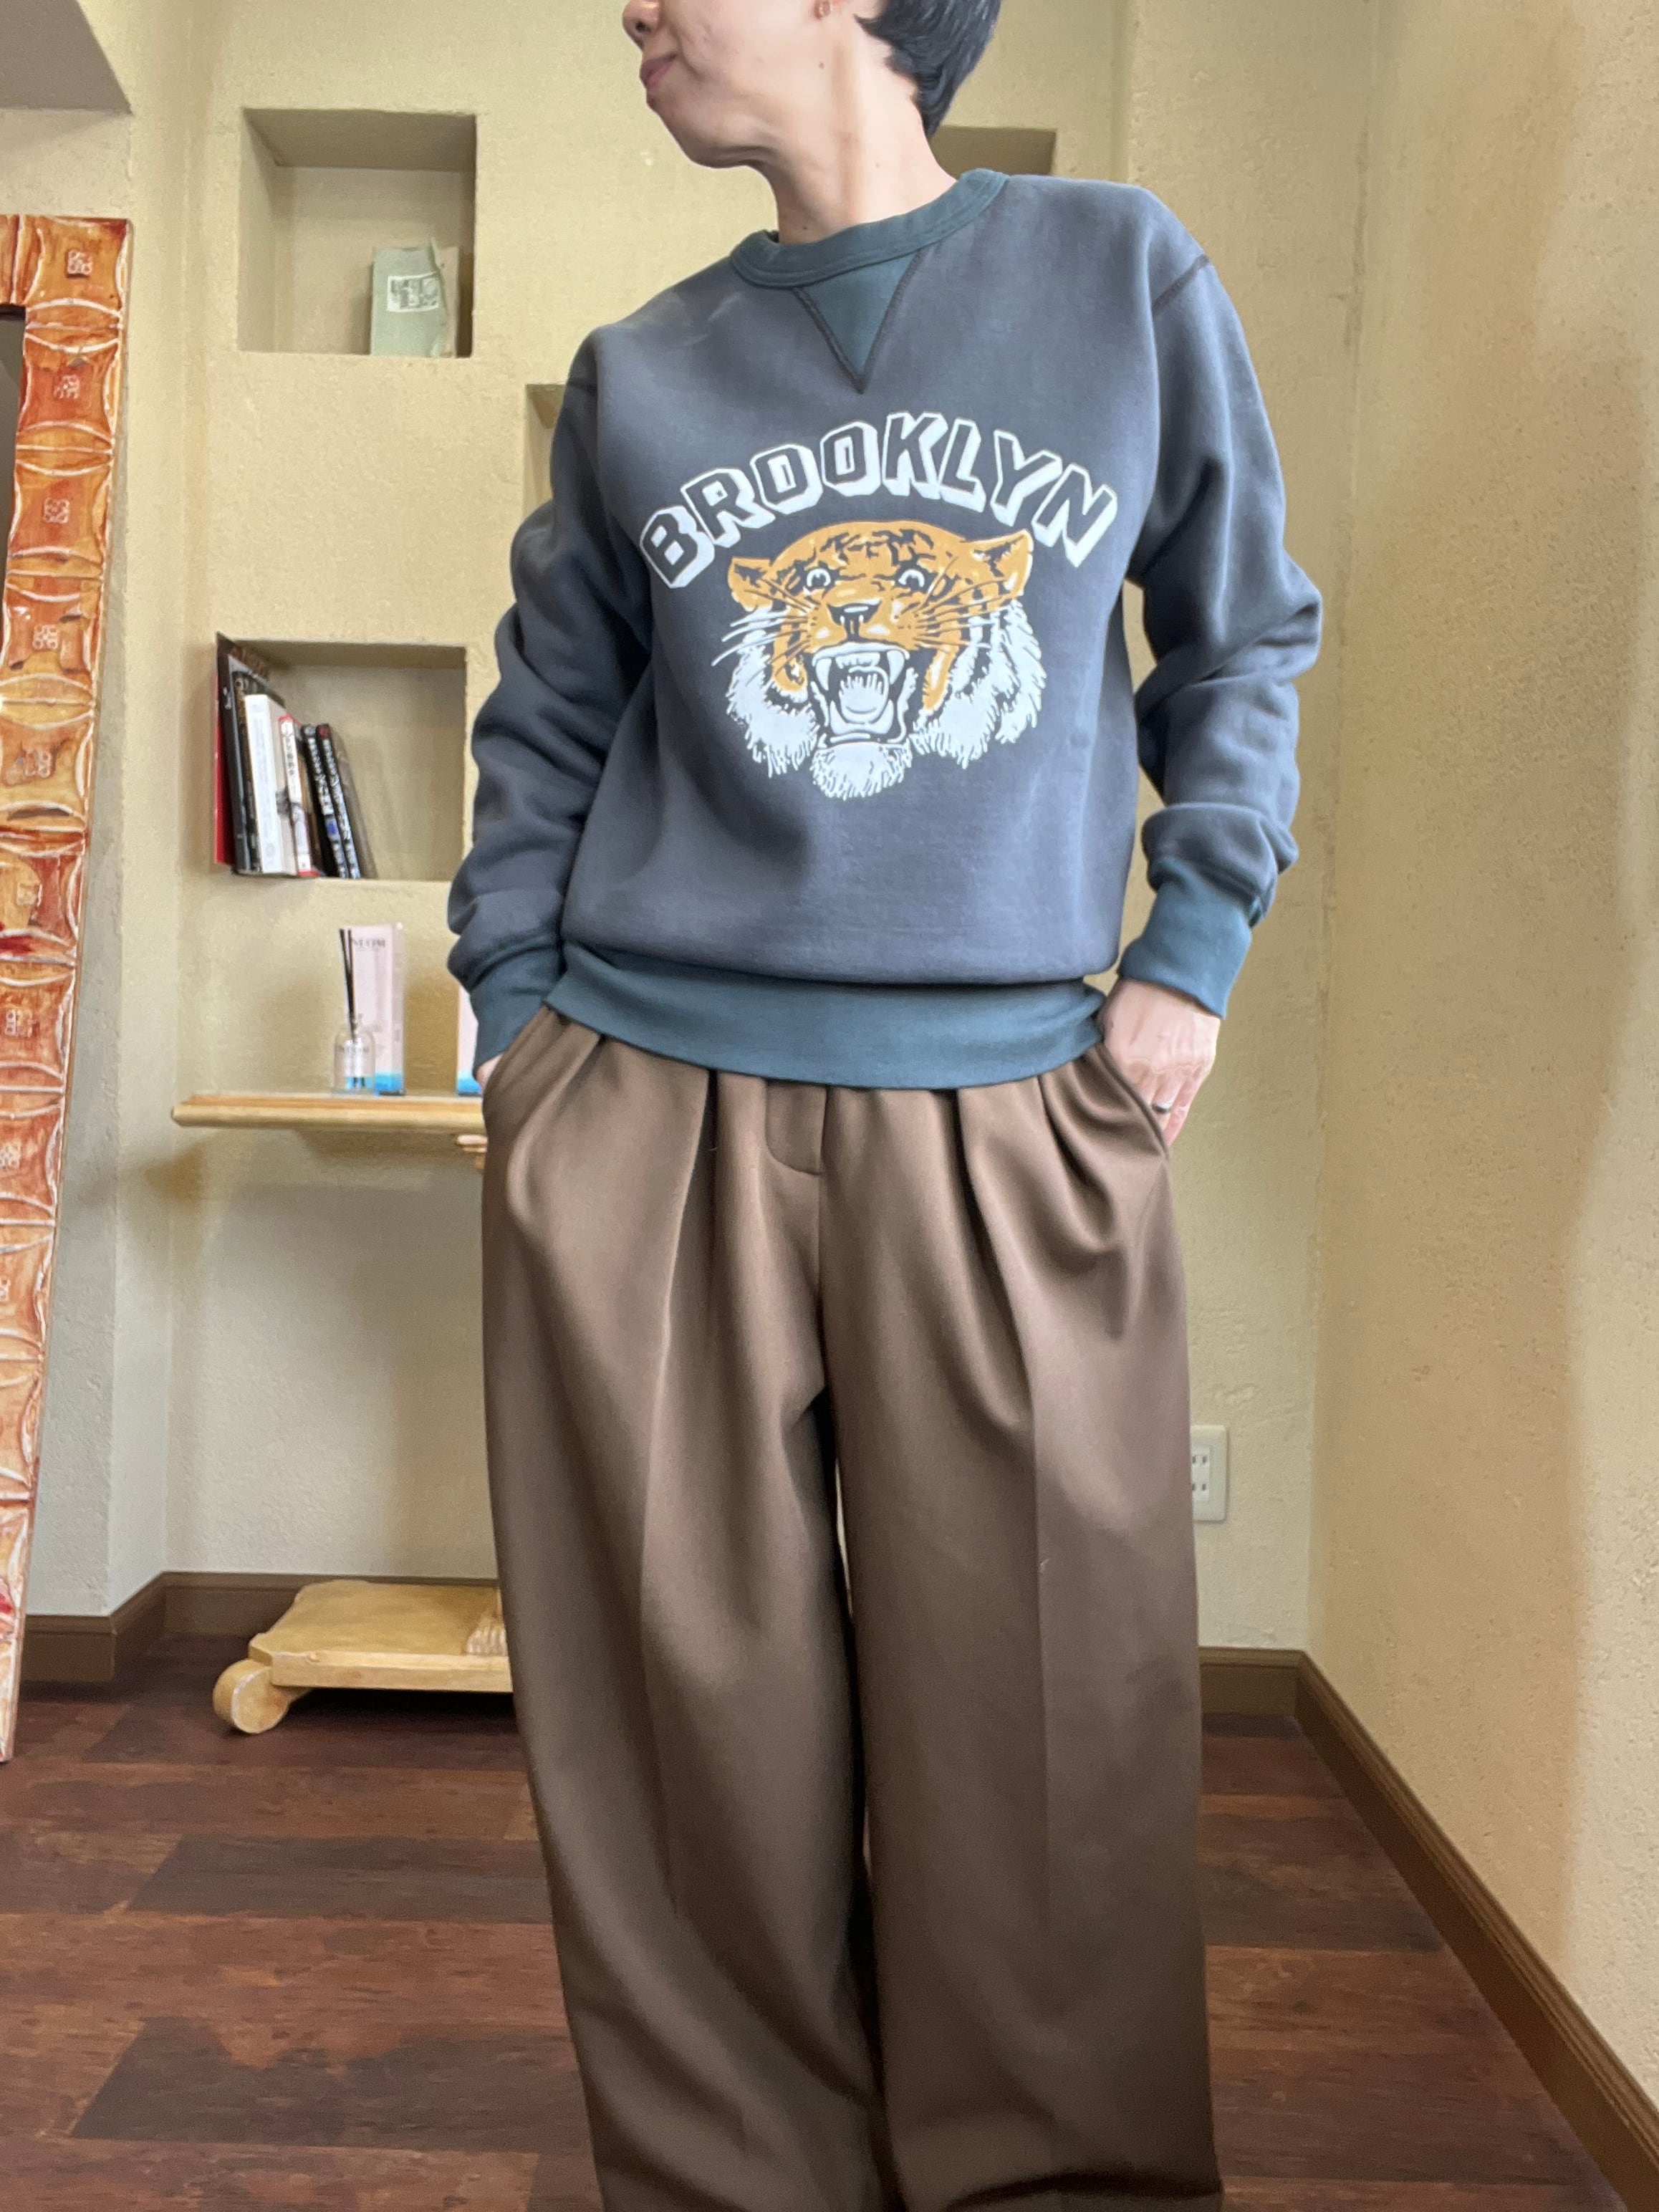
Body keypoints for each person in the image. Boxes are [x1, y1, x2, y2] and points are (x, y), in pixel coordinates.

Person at [447, 1, 1322, 2203]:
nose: (640, 9)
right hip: (643, 1100)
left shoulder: (1115, 274)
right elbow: (548, 720)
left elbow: (1239, 636)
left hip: (1010, 1097)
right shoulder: (643, 368)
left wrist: (1189, 953)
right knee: (681, 1735)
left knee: (1047, 1719)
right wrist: (519, 1021)